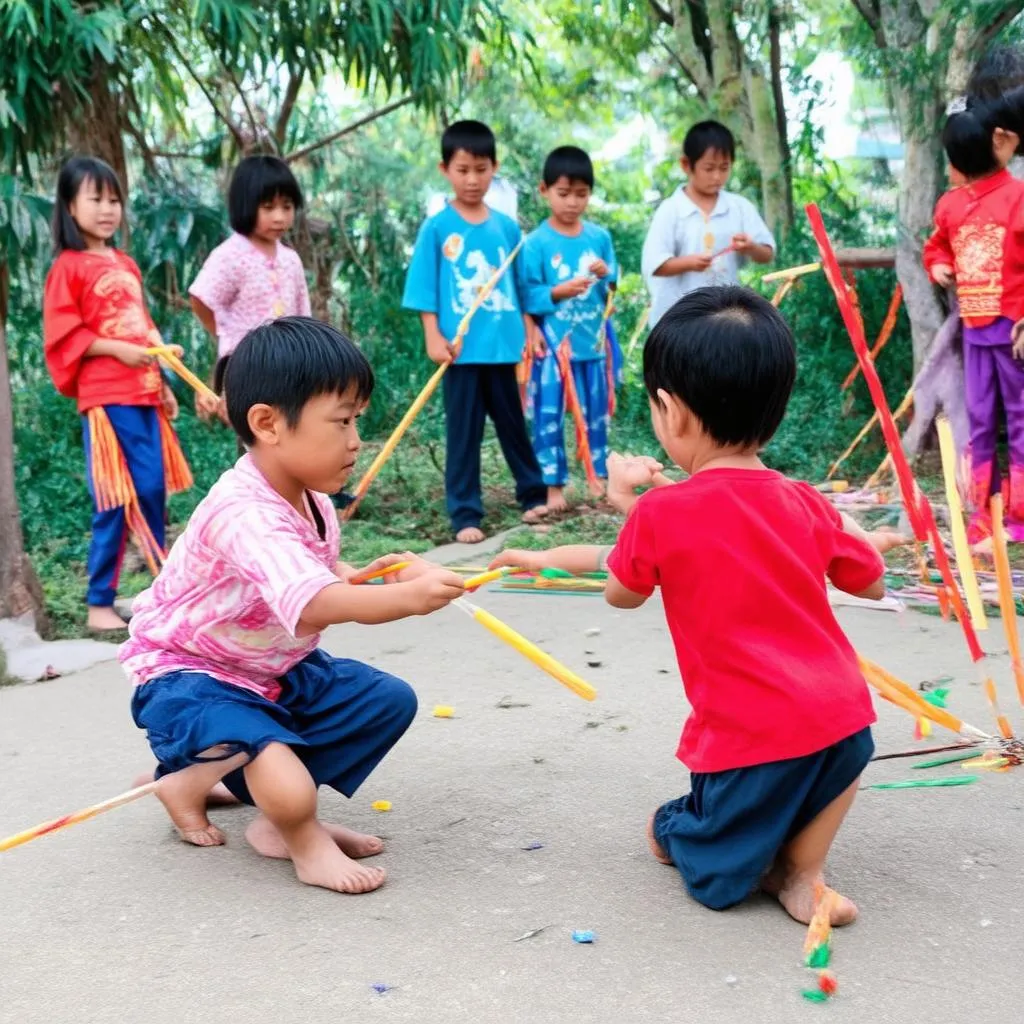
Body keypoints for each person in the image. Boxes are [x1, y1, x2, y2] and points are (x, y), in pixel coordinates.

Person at [490, 287, 903, 926]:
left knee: (715, 882)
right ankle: (802, 871)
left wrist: (627, 500)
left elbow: (621, 589)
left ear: (671, 412)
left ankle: (684, 827)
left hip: (748, 731)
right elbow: (870, 584)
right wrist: (860, 541)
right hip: (841, 718)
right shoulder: (802, 500)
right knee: (834, 763)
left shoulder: (664, 511)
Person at [120, 317, 467, 894]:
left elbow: (320, 573)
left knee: (384, 700)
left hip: (268, 668)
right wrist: (405, 600)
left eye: (358, 420)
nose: (357, 439)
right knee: (273, 756)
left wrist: (373, 576)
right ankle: (295, 836)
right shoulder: (244, 511)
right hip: (191, 674)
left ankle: (196, 784)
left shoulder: (311, 497)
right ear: (267, 423)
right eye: (342, 421)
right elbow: (315, 602)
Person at [43, 156, 193, 633]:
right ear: (70, 205)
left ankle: (158, 591)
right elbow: (65, 335)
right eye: (95, 198)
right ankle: (98, 603)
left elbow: (144, 329)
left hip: (144, 392)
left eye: (114, 199)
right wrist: (119, 352)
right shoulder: (67, 267)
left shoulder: (125, 263)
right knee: (114, 497)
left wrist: (165, 379)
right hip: (107, 399)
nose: (108, 208)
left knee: (153, 492)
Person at [402, 119, 548, 543]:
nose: (472, 179)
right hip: (460, 350)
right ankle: (465, 514)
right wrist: (432, 334)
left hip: (503, 347)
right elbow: (424, 286)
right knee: (462, 434)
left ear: (494, 168)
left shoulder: (506, 227)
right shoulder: (437, 227)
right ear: (444, 168)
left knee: (512, 427)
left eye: (481, 169)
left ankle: (533, 495)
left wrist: (530, 327)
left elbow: (519, 286)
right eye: (463, 169)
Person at [923, 102, 1024, 543]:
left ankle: (1019, 517)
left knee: (1021, 419)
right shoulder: (949, 206)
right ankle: (985, 512)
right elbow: (937, 247)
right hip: (975, 331)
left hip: (1013, 330)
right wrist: (939, 265)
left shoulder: (1018, 196)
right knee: (980, 418)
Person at [522, 146, 618, 509]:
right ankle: (554, 489)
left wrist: (607, 275)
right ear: (544, 190)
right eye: (564, 194)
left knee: (597, 417)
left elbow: (613, 285)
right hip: (552, 350)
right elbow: (527, 295)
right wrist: (558, 292)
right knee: (548, 418)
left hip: (592, 345)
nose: (572, 203)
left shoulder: (599, 238)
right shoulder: (536, 243)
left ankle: (598, 479)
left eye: (581, 194)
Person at [188, 155, 311, 423]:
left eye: (287, 206)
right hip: (245, 365)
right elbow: (201, 298)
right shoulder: (231, 255)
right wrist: (225, 334)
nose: (279, 217)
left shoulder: (291, 259)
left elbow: (303, 316)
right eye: (268, 207)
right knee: (254, 431)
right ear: (246, 205)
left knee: (288, 428)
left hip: (287, 364)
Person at [641, 121, 775, 328]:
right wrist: (689, 263)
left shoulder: (739, 207)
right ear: (687, 165)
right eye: (709, 168)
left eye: (724, 168)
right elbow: (655, 265)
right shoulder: (671, 210)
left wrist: (750, 247)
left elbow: (767, 254)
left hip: (724, 317)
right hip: (676, 318)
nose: (717, 177)